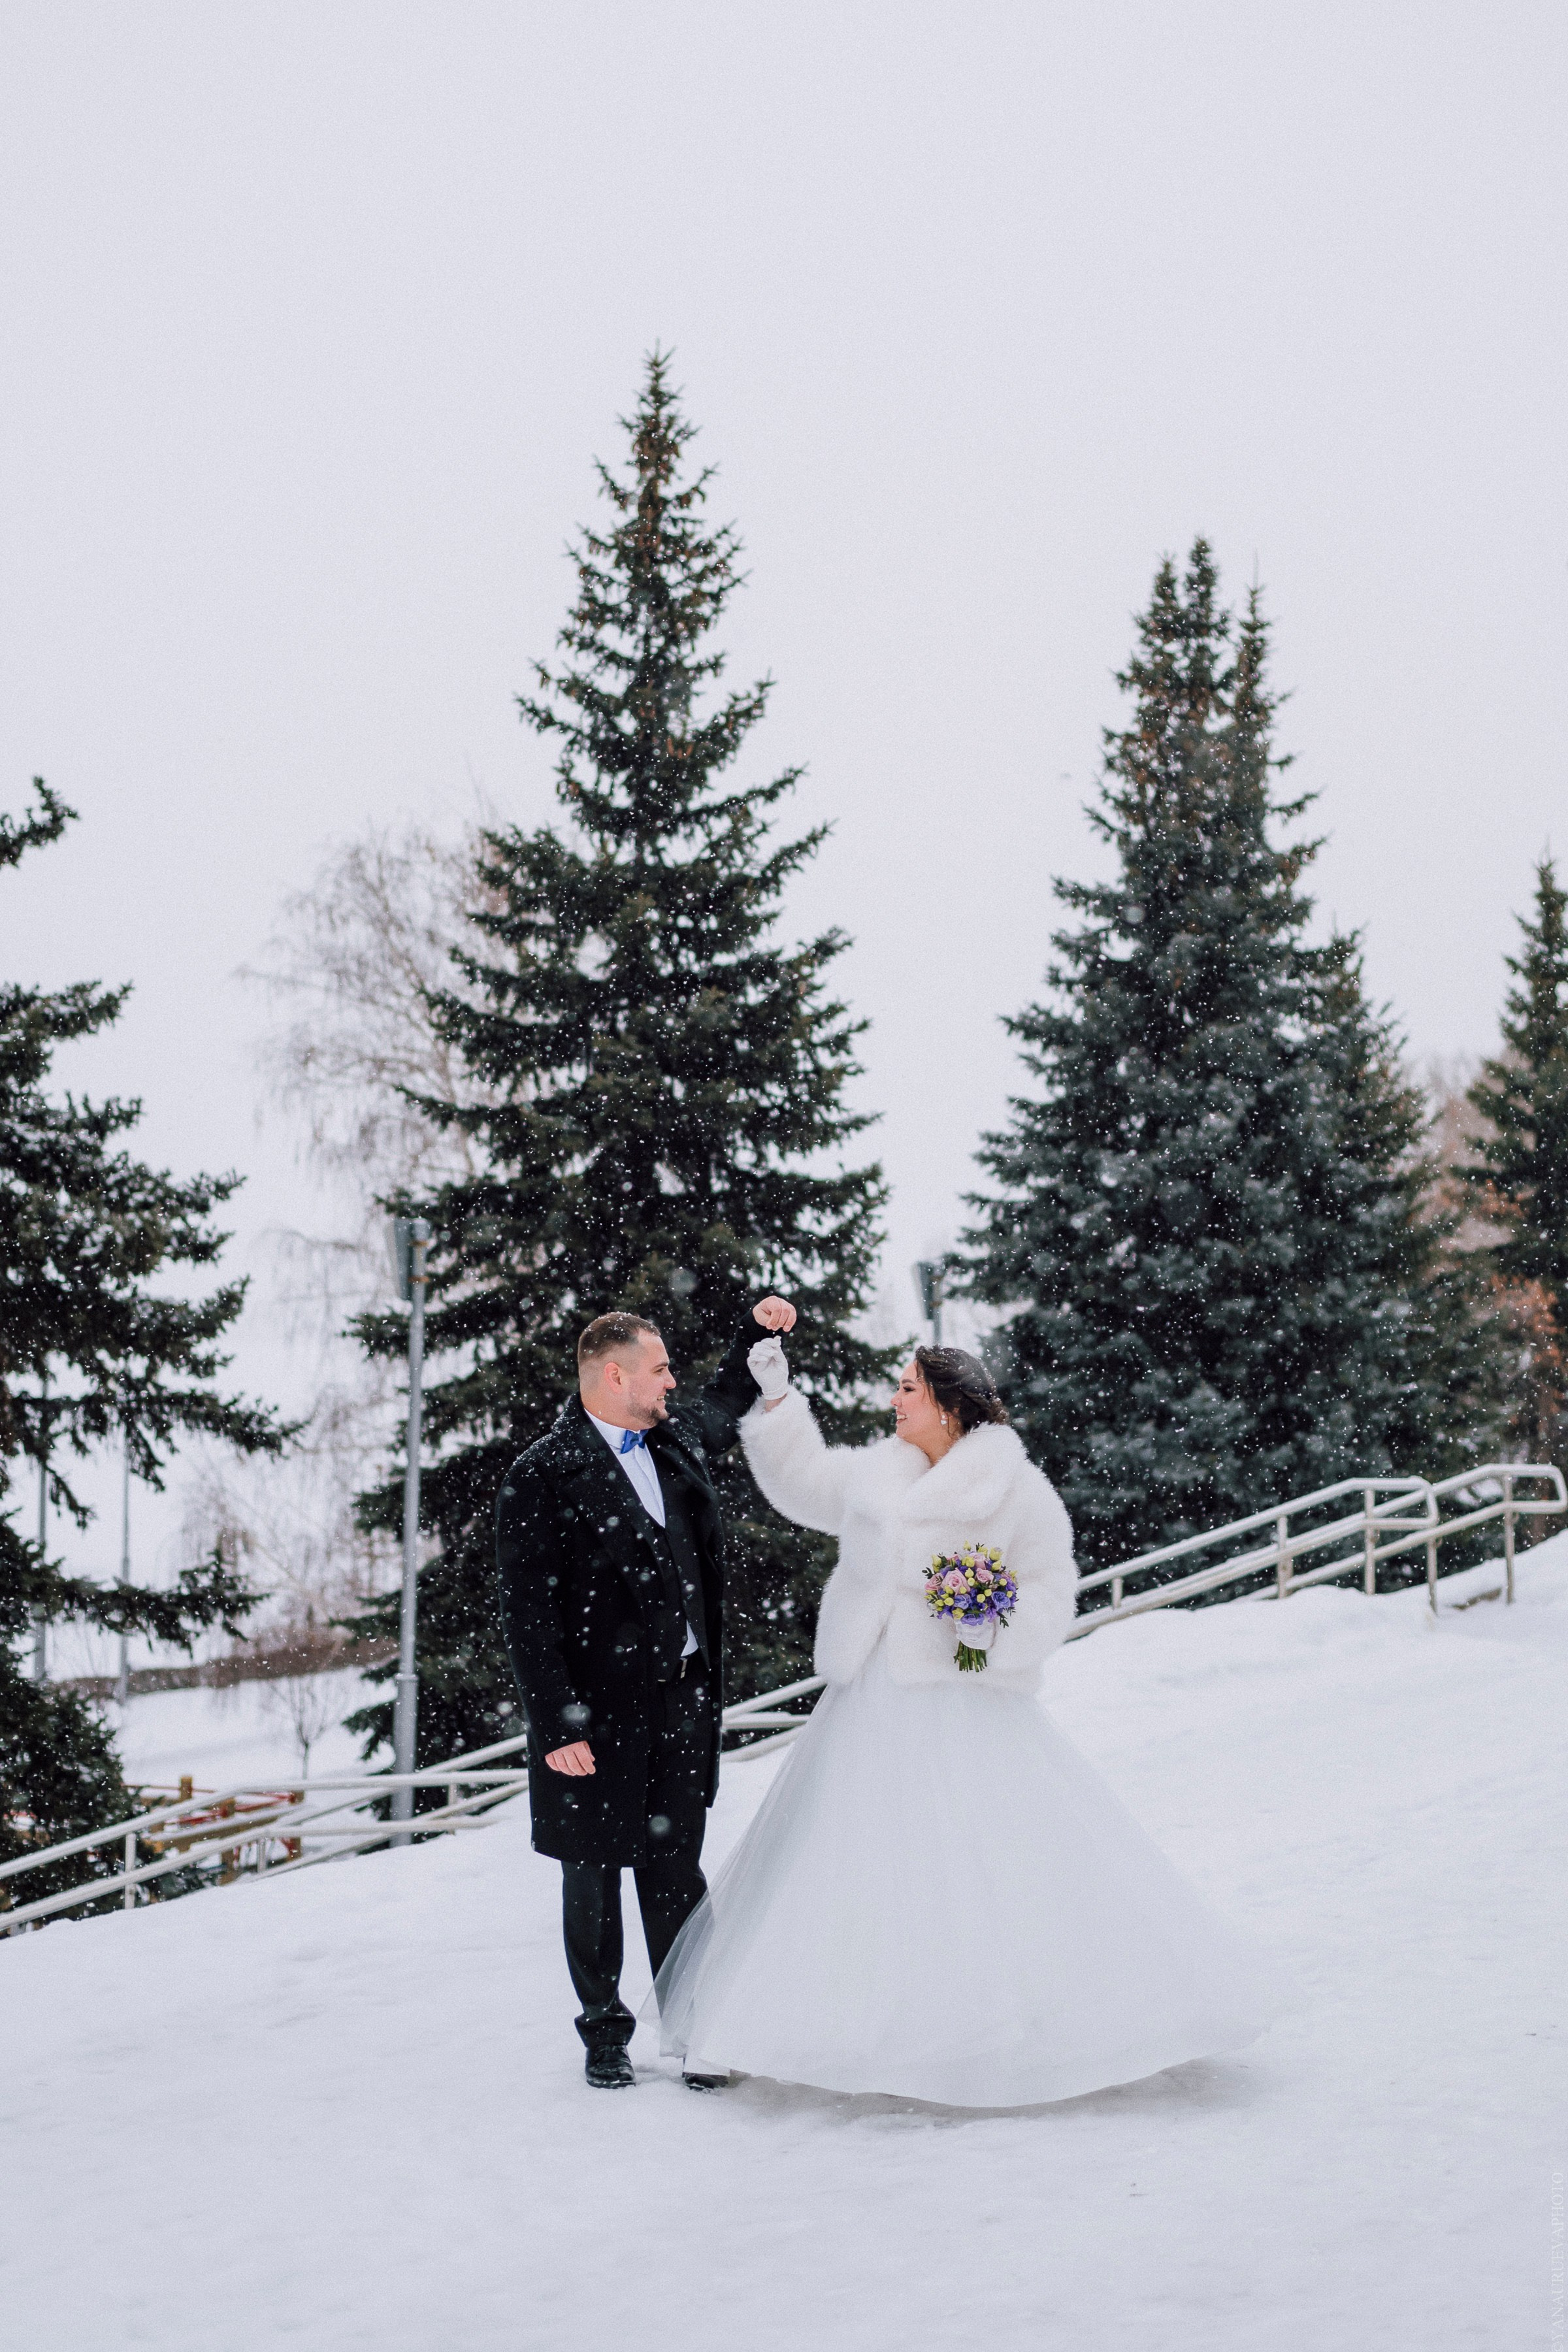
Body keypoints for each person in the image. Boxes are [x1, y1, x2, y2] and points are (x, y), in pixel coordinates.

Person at [655, 1322, 1281, 2108]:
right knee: (846, 1860)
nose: (895, 1400)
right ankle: (790, 2029)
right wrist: (777, 1397)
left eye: (909, 1388)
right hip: (869, 1699)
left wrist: (992, 1623)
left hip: (964, 1697)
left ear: (950, 1406)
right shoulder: (878, 1472)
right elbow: (805, 1483)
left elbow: (1052, 1586)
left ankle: (999, 2032)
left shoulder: (1016, 1491)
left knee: (984, 1863)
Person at [495, 1294, 796, 2090]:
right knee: (592, 1877)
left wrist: (759, 1330)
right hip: (590, 1717)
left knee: (676, 1872)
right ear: (615, 1373)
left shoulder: (674, 1439)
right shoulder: (542, 1475)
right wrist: (559, 1724)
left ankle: (696, 2029)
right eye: (659, 1369)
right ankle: (604, 2035)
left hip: (682, 1702)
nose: (673, 1382)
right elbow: (530, 1616)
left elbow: (729, 1396)